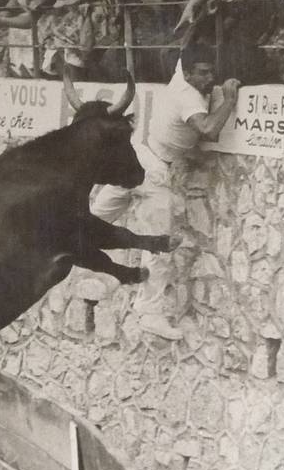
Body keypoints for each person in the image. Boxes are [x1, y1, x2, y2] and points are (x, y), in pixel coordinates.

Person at [90, 43, 241, 339]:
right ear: (186, 74)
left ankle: (58, 252)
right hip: (153, 171)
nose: (209, 78)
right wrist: (229, 100)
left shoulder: (180, 73)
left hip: (136, 156)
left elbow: (185, 48)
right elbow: (209, 129)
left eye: (212, 72)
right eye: (203, 73)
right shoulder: (187, 96)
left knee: (92, 217)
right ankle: (149, 314)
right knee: (158, 247)